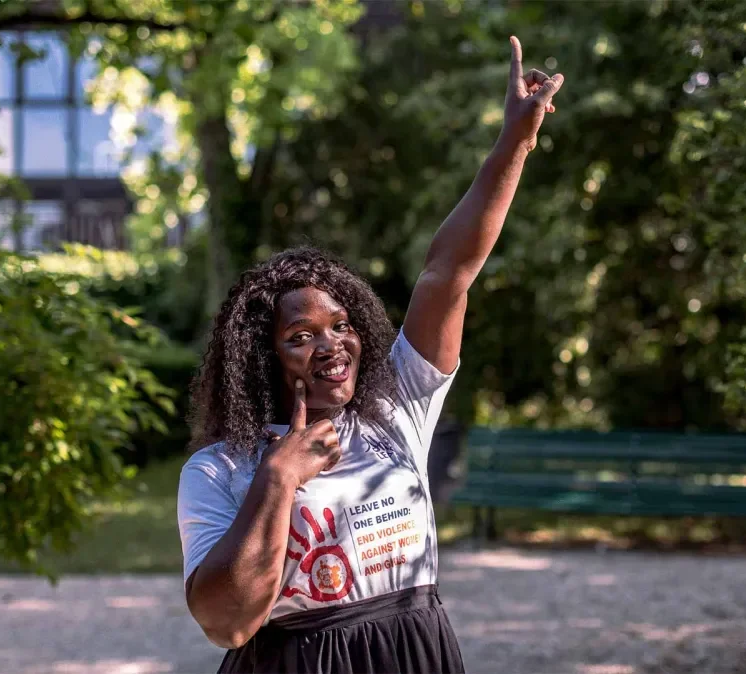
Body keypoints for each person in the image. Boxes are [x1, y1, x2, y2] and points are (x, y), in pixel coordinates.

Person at [176, 37, 564, 673]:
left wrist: (514, 144)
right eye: (301, 336)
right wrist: (279, 476)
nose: (331, 344)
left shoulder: (397, 408)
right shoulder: (221, 471)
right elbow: (228, 622)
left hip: (414, 652)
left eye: (340, 325)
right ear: (261, 357)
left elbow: (449, 272)